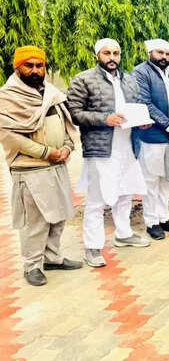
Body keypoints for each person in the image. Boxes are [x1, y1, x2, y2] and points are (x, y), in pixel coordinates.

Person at [0, 46, 81, 286]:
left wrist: (67, 147)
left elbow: (66, 124)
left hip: (57, 165)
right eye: (29, 65)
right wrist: (46, 152)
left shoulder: (52, 93)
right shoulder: (7, 97)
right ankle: (32, 266)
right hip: (30, 168)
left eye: (40, 65)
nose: (35, 70)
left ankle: (52, 258)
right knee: (35, 222)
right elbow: (10, 137)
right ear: (17, 67)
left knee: (58, 216)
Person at [66, 38, 150, 269]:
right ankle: (92, 247)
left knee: (125, 193)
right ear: (97, 55)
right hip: (101, 149)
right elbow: (74, 113)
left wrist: (142, 122)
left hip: (128, 147)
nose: (112, 58)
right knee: (97, 198)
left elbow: (138, 106)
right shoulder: (83, 79)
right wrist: (105, 119)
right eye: (107, 53)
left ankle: (123, 234)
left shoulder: (129, 80)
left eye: (116, 53)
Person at [133, 39, 169, 240]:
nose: (164, 57)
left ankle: (163, 218)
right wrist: (168, 126)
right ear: (150, 52)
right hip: (153, 137)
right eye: (160, 52)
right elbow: (145, 103)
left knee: (167, 178)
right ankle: (152, 222)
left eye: (167, 53)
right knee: (151, 181)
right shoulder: (140, 72)